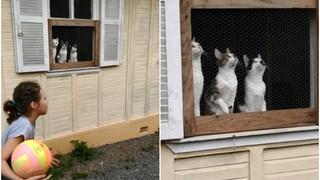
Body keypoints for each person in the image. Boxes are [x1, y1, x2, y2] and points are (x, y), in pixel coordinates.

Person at [1, 81, 60, 180]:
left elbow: (24, 150)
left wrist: (44, 157)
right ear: (34, 105)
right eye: (45, 98)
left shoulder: (27, 121)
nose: (47, 101)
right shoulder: (24, 125)